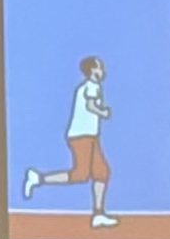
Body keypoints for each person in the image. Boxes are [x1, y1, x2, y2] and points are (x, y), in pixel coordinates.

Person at [19, 55, 115, 227]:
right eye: (99, 67)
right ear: (93, 70)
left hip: (90, 135)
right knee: (80, 174)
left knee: (101, 172)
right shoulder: (91, 86)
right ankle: (38, 178)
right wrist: (104, 112)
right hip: (82, 136)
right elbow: (90, 106)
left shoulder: (91, 86)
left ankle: (98, 213)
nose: (102, 71)